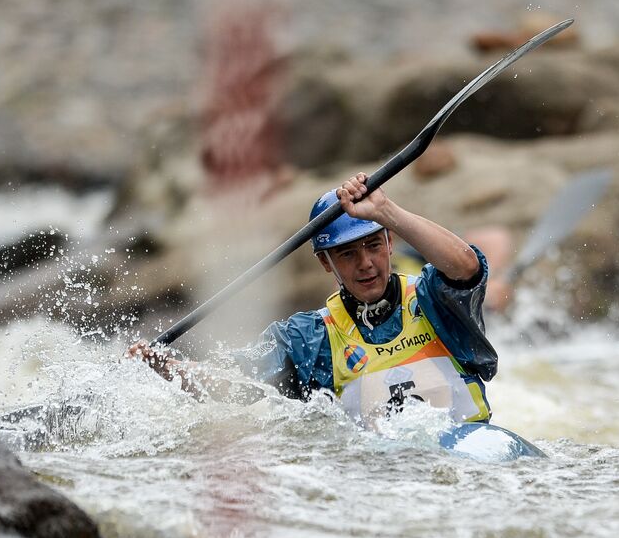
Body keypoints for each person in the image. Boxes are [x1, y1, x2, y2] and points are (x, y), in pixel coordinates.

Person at [129, 172, 499, 427]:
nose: (366, 264)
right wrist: (164, 366)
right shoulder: (309, 339)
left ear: (390, 243)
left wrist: (386, 212)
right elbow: (235, 386)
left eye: (373, 246)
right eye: (347, 254)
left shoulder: (433, 299)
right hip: (388, 479)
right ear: (325, 262)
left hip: (467, 468)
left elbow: (467, 266)